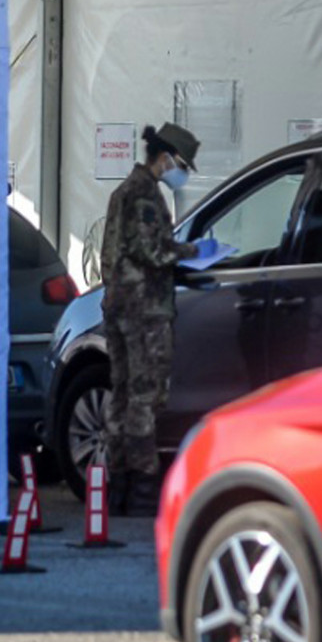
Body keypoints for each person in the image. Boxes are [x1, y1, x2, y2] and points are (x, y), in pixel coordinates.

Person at [98, 122, 205, 514]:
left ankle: (117, 487)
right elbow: (151, 251)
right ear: (166, 159)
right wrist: (194, 253)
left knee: (122, 394)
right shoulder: (144, 195)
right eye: (183, 166)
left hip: (120, 306)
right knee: (145, 396)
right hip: (145, 310)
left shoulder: (124, 191)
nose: (183, 175)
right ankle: (143, 489)